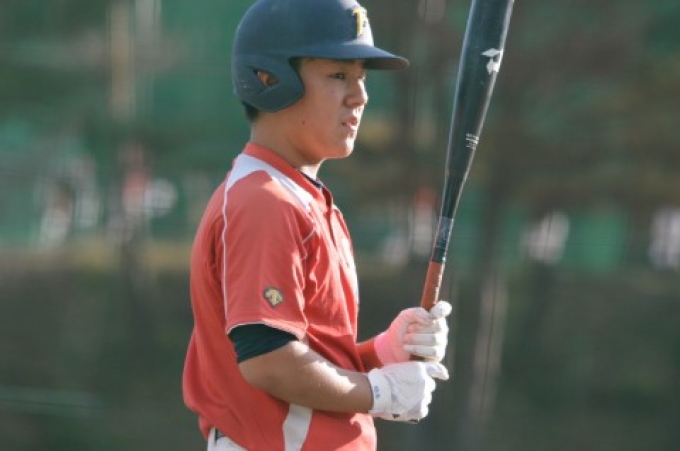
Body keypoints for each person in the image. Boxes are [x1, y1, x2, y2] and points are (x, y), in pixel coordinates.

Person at [182, 0, 452, 449]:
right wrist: (381, 392)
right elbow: (269, 362)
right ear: (269, 78)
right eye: (338, 75)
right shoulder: (264, 201)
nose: (360, 96)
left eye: (362, 78)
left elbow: (309, 368)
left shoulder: (300, 199)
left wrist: (382, 352)